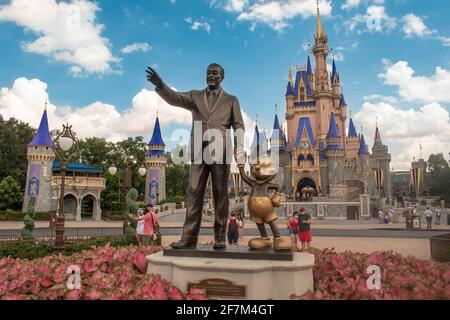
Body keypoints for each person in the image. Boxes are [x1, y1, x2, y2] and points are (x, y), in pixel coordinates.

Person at [146, 64, 245, 250]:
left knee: (220, 195)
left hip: (221, 150)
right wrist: (161, 85)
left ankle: (219, 237)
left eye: (214, 73)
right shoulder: (195, 96)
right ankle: (189, 238)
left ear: (222, 77)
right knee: (193, 192)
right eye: (208, 72)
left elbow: (239, 125)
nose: (210, 75)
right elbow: (175, 98)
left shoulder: (231, 100)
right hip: (199, 151)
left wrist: (239, 147)